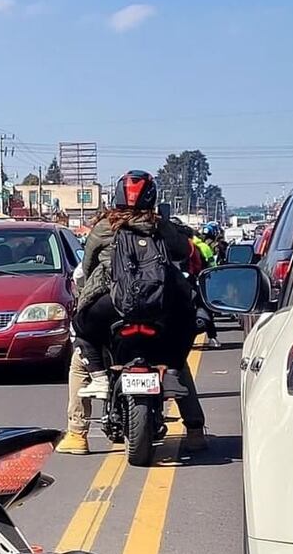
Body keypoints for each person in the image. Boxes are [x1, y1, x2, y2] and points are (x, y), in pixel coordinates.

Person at [65, 172, 203, 440]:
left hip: (110, 307)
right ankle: (195, 431)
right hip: (160, 308)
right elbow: (185, 254)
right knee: (178, 357)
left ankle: (78, 433)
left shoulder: (104, 227)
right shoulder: (161, 226)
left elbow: (88, 267)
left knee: (80, 348)